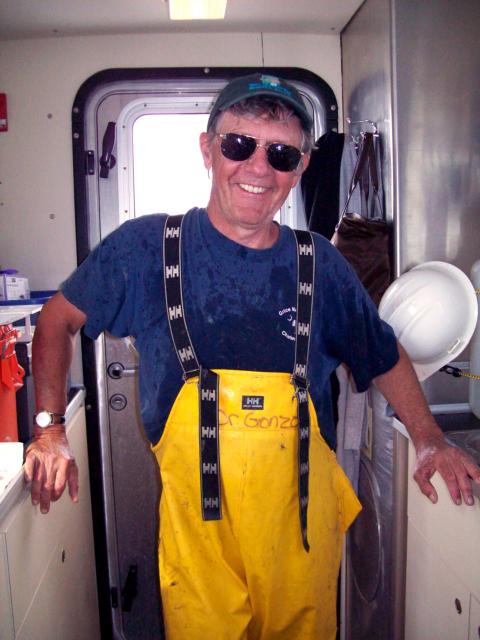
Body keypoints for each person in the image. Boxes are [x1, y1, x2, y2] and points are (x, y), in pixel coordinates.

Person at [24, 73, 480, 640]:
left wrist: (431, 438)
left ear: (301, 168)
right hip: (198, 541)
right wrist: (49, 428)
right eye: (239, 145)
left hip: (302, 533)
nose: (258, 168)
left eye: (281, 154)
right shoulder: (144, 248)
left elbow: (384, 357)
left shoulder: (324, 268)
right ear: (208, 149)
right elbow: (56, 320)